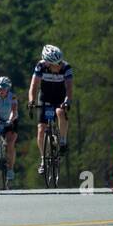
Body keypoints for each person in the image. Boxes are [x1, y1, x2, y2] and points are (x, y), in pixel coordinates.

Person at [28, 44, 72, 176]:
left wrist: (67, 101)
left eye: (58, 63)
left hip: (60, 97)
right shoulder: (40, 66)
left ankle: (63, 140)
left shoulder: (66, 68)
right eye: (54, 64)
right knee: (41, 129)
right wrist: (31, 101)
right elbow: (34, 86)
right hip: (45, 97)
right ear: (46, 62)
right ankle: (43, 159)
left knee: (59, 112)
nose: (57, 66)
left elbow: (69, 89)